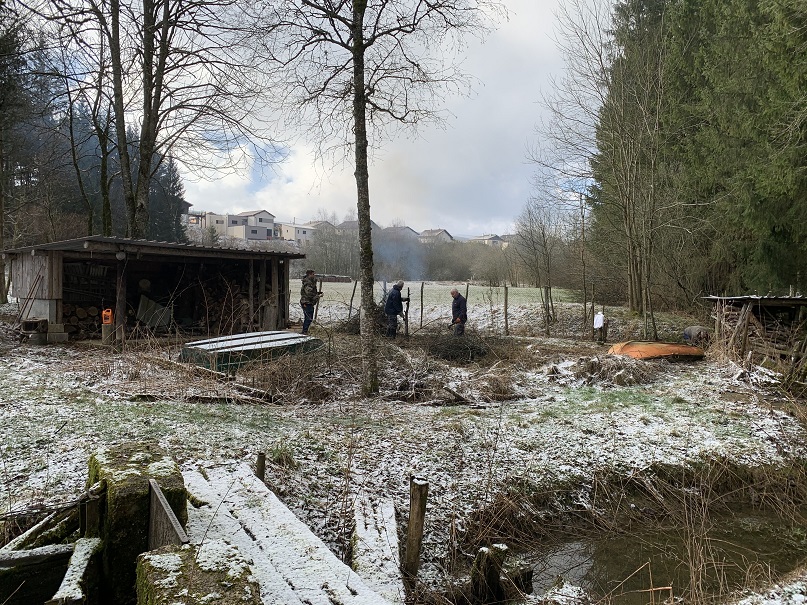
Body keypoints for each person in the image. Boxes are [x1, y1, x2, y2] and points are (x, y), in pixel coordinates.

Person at [299, 269, 322, 335]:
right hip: (306, 302)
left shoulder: (311, 282)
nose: (314, 276)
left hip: (310, 302)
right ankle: (304, 332)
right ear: (309, 275)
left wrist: (318, 293)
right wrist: (317, 296)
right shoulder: (308, 283)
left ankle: (306, 331)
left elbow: (311, 292)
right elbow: (309, 293)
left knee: (310, 318)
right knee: (308, 318)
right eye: (313, 274)